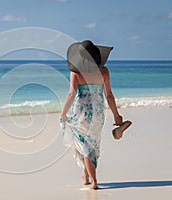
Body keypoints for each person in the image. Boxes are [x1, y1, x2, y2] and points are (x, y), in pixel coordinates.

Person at [60, 40, 123, 190]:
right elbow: (109, 95)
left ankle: (94, 181)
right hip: (99, 113)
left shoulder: (76, 72)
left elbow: (71, 93)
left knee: (85, 146)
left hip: (81, 112)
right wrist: (116, 115)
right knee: (92, 145)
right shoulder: (104, 71)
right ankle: (86, 175)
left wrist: (63, 113)